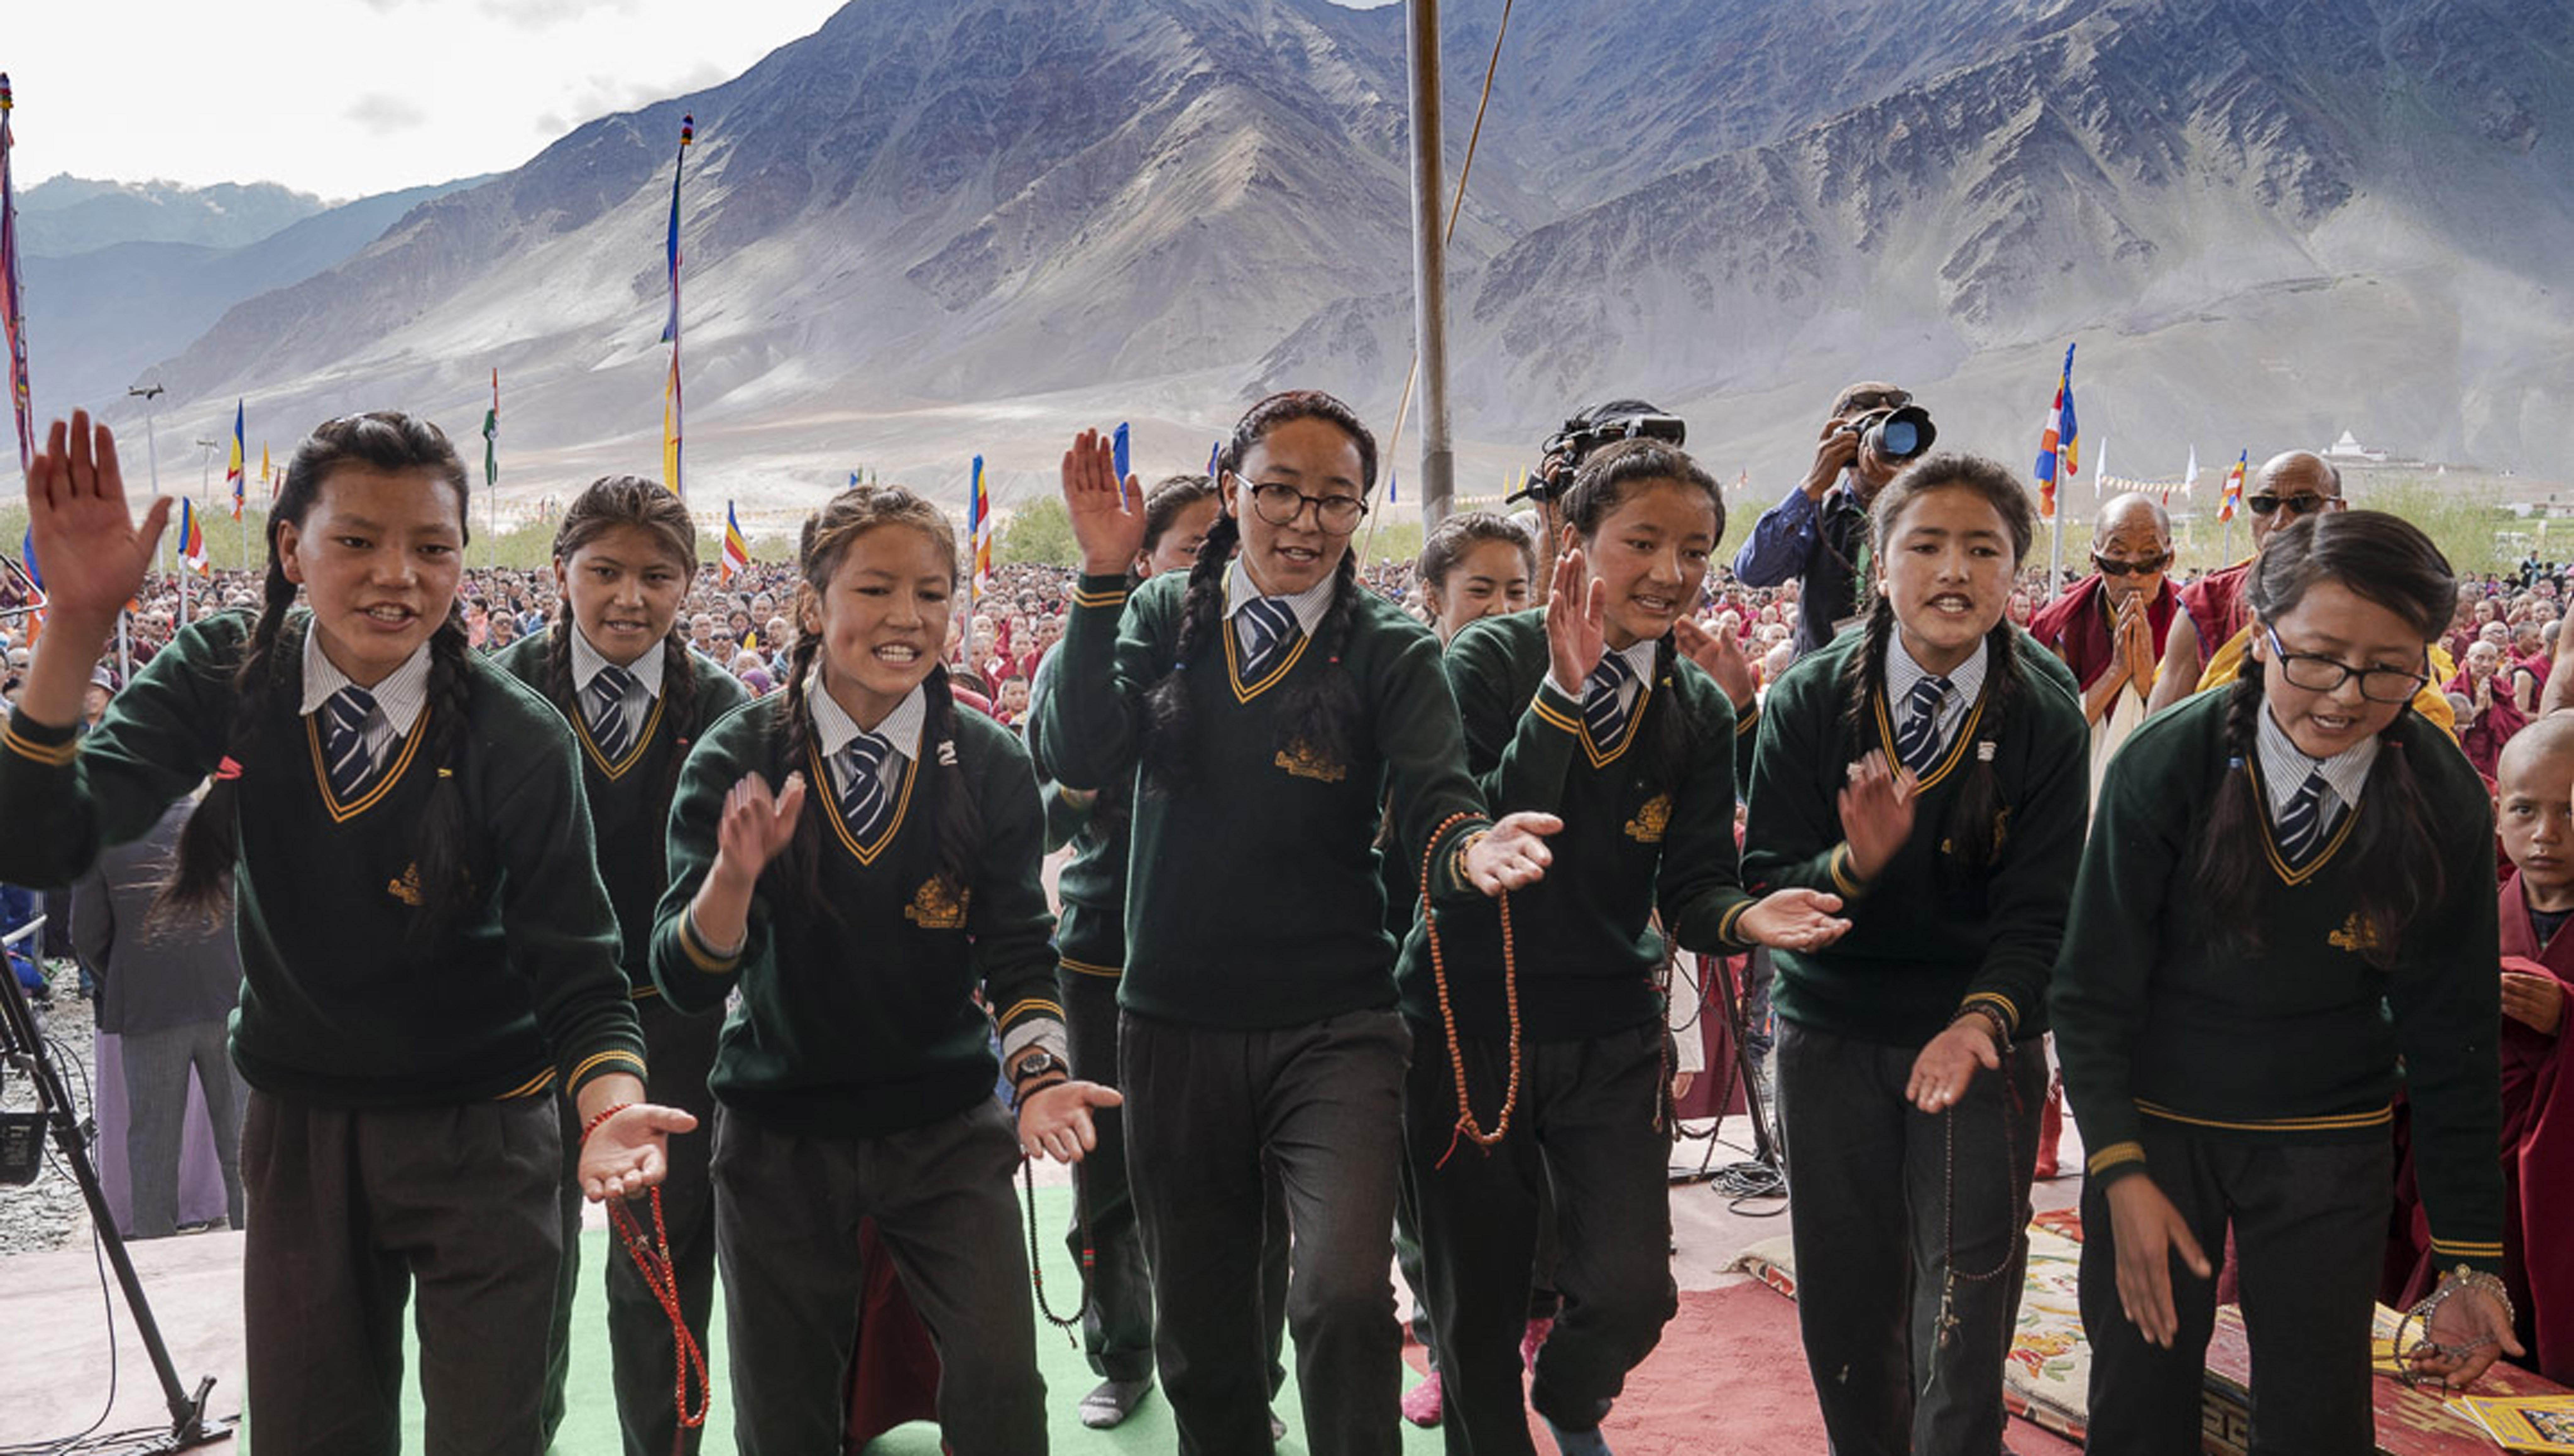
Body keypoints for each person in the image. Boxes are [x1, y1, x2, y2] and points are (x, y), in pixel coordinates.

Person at [0, 410, 685, 1453]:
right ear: (291, 548)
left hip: (490, 1139)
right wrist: (79, 626)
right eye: (356, 540)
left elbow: (580, 973)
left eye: (433, 547)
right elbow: (37, 837)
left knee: (493, 1432)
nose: (396, 575)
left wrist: (611, 1106)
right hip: (303, 1127)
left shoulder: (518, 736)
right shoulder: (226, 671)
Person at [1038, 394, 1560, 1456]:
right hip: (1172, 1023)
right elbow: (1080, 753)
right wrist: (1100, 575)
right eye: (1279, 489)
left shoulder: (1391, 652)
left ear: (1363, 515)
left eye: (1337, 499)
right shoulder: (1153, 617)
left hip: (1338, 1026)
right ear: (1232, 491)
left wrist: (1466, 850)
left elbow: (1436, 798)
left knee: (1337, 1297)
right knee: (1203, 1333)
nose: (1305, 520)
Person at [650, 482, 1118, 1456]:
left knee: (999, 1386)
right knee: (784, 1411)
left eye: (933, 593)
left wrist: (1035, 1078)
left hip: (946, 1132)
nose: (908, 618)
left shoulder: (989, 763)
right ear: (814, 605)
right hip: (780, 1135)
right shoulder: (738, 754)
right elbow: (687, 980)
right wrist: (734, 880)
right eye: (876, 589)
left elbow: (1020, 949)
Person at [1407, 440, 1849, 1456]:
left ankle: (1567, 1394)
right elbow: (1455, 827)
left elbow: (1692, 887)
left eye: (1694, 549)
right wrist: (1561, 698)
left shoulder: (1695, 705)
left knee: (1632, 1291)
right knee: (1474, 1303)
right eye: (1641, 541)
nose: (1670, 571)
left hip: (1611, 1026)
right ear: (1575, 541)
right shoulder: (1487, 659)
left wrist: (1745, 917)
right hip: (1473, 1017)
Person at [2052, 510, 2517, 1452]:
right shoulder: (2167, 764)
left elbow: (2453, 1037)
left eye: (2389, 667)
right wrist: (2120, 1173)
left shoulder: (2442, 799)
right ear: (2260, 638)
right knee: (2140, 1404)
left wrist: (2472, 1262)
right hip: (2159, 1128)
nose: (2346, 698)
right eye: (2316, 658)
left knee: (2317, 1414)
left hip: (2327, 1137)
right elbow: (2090, 994)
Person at [1741, 451, 2089, 1455]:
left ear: (2013, 570)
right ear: (1880, 567)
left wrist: (1980, 1024)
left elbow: (2042, 915)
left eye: (1983, 549)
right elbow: (1767, 881)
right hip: (1832, 1037)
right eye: (1926, 545)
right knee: (1849, 1291)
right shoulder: (1809, 698)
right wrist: (1852, 866)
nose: (1954, 571)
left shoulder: (2045, 711)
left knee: (1966, 1293)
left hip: (1976, 1041)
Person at [1026, 472, 1293, 1432]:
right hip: (1105, 957)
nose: (1218, 562)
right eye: (1192, 547)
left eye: (1232, 541)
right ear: (1145, 564)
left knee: (1251, 1195)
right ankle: (1124, 1354)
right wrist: (1096, 786)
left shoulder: (1288, 654)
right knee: (1107, 1184)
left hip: (1241, 967)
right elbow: (1053, 794)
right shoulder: (1095, 653)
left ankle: (1248, 1380)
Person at [494, 475, 750, 1456]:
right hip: (519, 1031)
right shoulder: (495, 694)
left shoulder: (727, 711)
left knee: (665, 1271)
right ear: (562, 571)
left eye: (656, 574)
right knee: (524, 1267)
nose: (628, 597)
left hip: (674, 1036)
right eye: (604, 571)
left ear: (691, 583)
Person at [1391, 508, 1541, 1430]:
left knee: (1540, 1200)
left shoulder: (1557, 683)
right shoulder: (1403, 695)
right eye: (1478, 590)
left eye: (1517, 591)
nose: (1499, 608)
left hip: (1544, 985)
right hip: (1431, 981)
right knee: (1435, 1204)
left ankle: (1528, 1327)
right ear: (1431, 599)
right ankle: (1446, 1346)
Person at [70, 793, 247, 1239]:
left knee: (153, 1145)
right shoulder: (223, 824)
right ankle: (255, 1252)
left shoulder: (104, 835)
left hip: (150, 1005)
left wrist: (125, 976)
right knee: (242, 1141)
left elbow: (86, 934)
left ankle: (156, 1262)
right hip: (228, 996)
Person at [1729, 383, 1925, 657]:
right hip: (1820, 685)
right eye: (1869, 431)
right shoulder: (1818, 513)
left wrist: (1901, 494)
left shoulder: (1927, 515)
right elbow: (1753, 570)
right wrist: (1812, 484)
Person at [2145, 451, 2343, 715]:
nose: (2280, 520)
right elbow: (2162, 734)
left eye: (2304, 503)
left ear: (2339, 511)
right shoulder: (2205, 604)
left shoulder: (2373, 603)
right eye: (2265, 504)